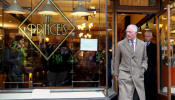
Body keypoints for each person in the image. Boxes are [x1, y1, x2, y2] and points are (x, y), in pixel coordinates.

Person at [114, 24, 148, 100]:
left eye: (130, 32)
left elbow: (145, 59)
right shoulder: (120, 44)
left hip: (138, 75)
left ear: (136, 33)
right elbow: (117, 60)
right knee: (124, 97)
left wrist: (143, 69)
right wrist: (116, 73)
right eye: (127, 32)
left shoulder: (142, 44)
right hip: (124, 75)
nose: (128, 34)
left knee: (138, 97)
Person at [144, 31, 157, 100]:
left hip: (150, 70)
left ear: (151, 37)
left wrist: (152, 67)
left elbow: (156, 59)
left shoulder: (154, 46)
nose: (146, 38)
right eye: (145, 36)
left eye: (148, 36)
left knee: (150, 87)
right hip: (141, 70)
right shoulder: (140, 45)